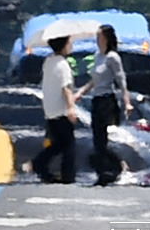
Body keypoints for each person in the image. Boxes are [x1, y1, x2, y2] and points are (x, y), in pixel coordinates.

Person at [74, 24, 133, 186]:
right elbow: (94, 81)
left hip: (107, 100)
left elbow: (121, 80)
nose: (97, 39)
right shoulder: (97, 56)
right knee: (98, 140)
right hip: (96, 98)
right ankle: (108, 170)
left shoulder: (112, 57)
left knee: (101, 139)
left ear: (106, 38)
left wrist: (127, 102)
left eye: (100, 36)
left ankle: (110, 170)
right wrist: (80, 93)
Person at [30, 36, 77, 184]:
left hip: (50, 109)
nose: (71, 45)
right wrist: (71, 108)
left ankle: (40, 165)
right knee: (69, 145)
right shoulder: (63, 64)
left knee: (59, 144)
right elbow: (66, 88)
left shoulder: (48, 61)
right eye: (69, 42)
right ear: (63, 45)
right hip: (61, 110)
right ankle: (67, 176)